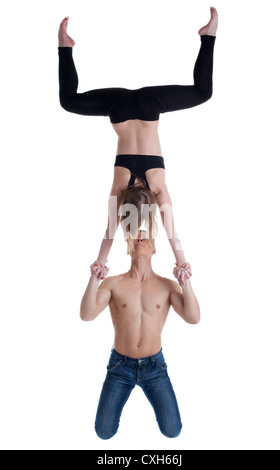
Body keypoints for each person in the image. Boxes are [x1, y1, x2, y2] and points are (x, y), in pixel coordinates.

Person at [58, 8, 218, 285]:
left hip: (150, 105)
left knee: (203, 92)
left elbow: (172, 233)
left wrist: (182, 263)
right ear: (125, 206)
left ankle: (209, 36)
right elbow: (109, 232)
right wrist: (101, 262)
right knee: (69, 100)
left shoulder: (157, 186)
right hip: (117, 107)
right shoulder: (119, 186)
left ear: (152, 205)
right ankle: (64, 46)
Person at [80, 231, 200, 439]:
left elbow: (193, 317)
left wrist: (185, 282)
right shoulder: (114, 283)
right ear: (128, 248)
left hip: (155, 367)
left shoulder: (167, 286)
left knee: (173, 430)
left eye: (144, 236)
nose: (139, 239)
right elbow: (86, 314)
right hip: (120, 365)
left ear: (154, 249)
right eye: (134, 237)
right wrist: (94, 278)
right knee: (104, 432)